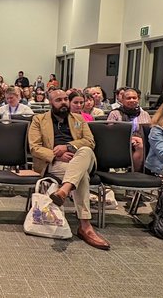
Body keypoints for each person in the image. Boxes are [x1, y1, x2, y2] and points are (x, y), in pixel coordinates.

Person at [28, 88, 110, 250]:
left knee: (85, 151)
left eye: (65, 99)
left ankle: (64, 190)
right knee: (82, 177)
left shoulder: (78, 119)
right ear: (50, 102)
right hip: (56, 162)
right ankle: (85, 226)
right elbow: (34, 147)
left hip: (83, 159)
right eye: (58, 100)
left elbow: (89, 142)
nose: (64, 102)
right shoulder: (39, 119)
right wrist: (56, 155)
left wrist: (67, 147)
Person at [106, 88, 151, 171]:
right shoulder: (115, 113)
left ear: (138, 99)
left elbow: (148, 132)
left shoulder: (144, 114)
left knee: (141, 145)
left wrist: (138, 139)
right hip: (120, 141)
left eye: (134, 98)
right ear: (122, 100)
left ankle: (139, 172)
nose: (132, 100)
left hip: (141, 141)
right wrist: (130, 138)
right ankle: (133, 172)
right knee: (140, 145)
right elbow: (110, 132)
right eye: (128, 98)